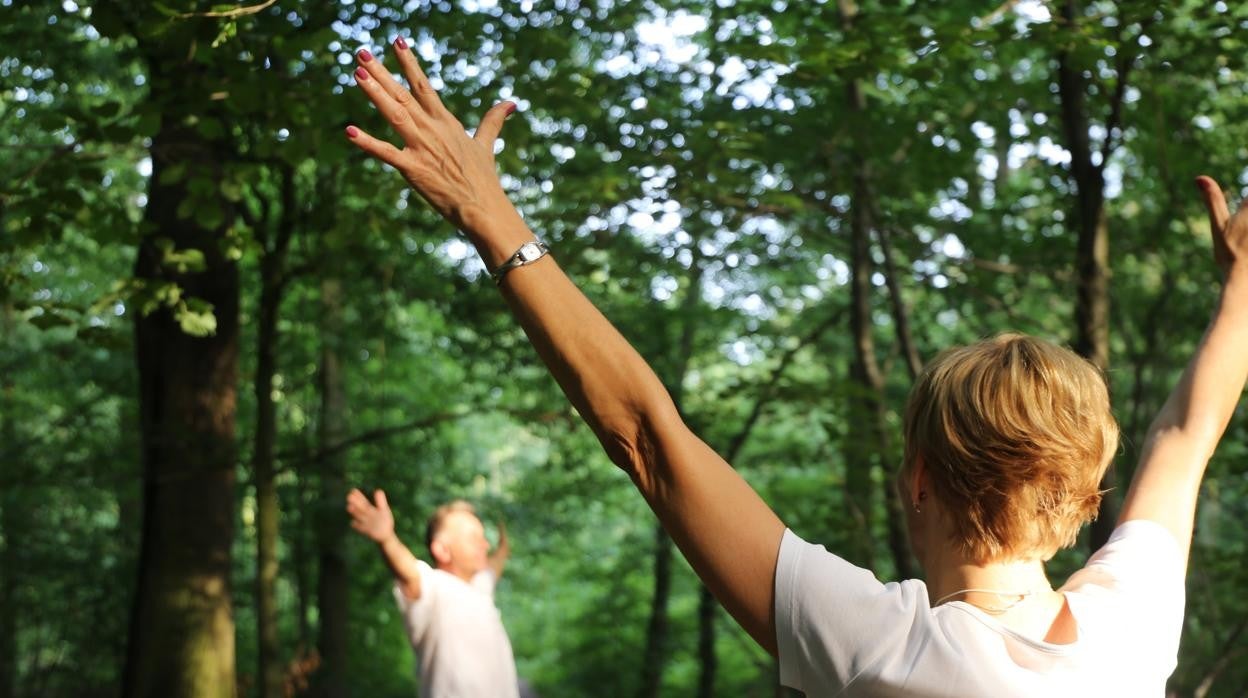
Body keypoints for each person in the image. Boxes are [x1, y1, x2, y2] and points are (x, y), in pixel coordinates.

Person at [341, 38, 1248, 696]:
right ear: (1084, 493)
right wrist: (1243, 285)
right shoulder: (1131, 627)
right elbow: (1187, 430)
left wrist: (490, 218)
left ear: (920, 479)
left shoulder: (876, 646)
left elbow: (648, 439)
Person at [345, 489, 520, 697]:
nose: (484, 544)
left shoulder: (481, 587)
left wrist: (504, 545)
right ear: (442, 550)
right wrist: (387, 539)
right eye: (474, 538)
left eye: (483, 537)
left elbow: (497, 561)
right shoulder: (434, 587)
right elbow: (409, 572)